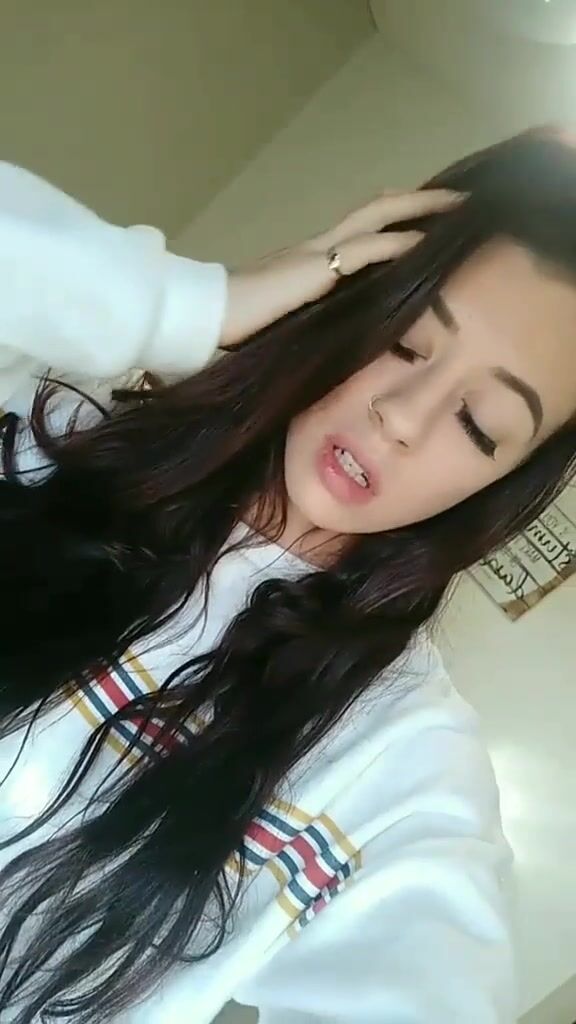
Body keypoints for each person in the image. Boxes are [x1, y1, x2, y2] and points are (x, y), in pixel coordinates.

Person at [0, 128, 574, 1024]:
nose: (402, 418)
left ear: (502, 482)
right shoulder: (53, 436)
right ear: (353, 300)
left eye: (480, 425)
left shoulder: (402, 768)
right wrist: (193, 307)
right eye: (407, 343)